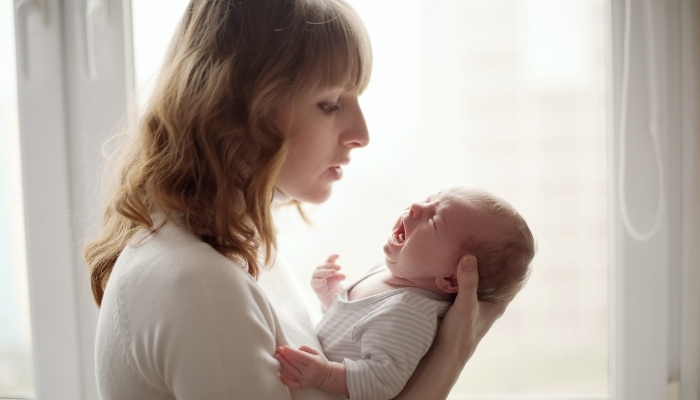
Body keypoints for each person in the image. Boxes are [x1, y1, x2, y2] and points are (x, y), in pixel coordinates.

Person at [84, 0, 508, 399]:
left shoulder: (243, 246)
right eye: (328, 104)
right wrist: (446, 363)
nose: (361, 133)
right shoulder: (197, 285)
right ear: (235, 108)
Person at [274, 186, 536, 399]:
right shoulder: (391, 276)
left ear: (449, 279)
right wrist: (332, 293)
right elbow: (355, 329)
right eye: (429, 200)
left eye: (434, 221)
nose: (416, 207)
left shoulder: (409, 313)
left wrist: (325, 375)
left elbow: (381, 380)